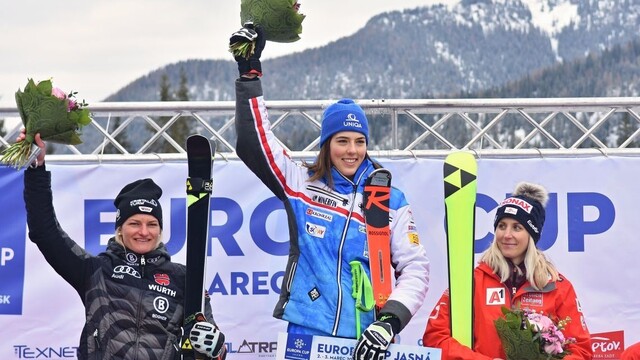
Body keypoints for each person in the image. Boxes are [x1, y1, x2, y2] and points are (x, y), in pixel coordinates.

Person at [230, 23, 430, 360]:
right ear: (327, 145)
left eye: (359, 142)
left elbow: (415, 268)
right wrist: (250, 75)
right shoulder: (302, 184)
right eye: (342, 141)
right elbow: (256, 143)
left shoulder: (388, 199)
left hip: (368, 340)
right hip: (307, 337)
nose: (352, 151)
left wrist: (389, 322)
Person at [20, 132, 226, 360]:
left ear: (160, 230)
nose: (144, 231)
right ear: (120, 228)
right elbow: (45, 231)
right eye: (134, 223)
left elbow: (208, 348)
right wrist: (36, 170)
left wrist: (216, 349)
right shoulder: (96, 270)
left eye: (152, 224)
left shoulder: (183, 279)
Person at [423, 182, 592, 359]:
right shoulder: (471, 281)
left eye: (517, 227)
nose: (506, 235)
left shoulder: (556, 286)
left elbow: (581, 350)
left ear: (531, 234)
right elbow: (435, 338)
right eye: (502, 226)